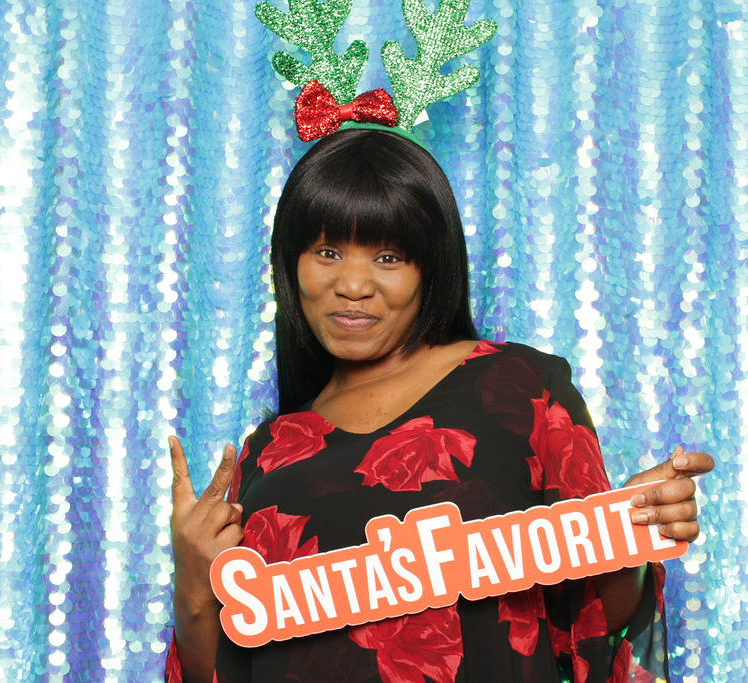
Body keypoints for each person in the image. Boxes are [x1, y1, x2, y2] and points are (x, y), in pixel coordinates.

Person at [166, 127, 713, 682]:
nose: (352, 284)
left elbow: (590, 627)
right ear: (291, 264)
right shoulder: (268, 454)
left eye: (388, 257)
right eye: (327, 252)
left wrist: (629, 532)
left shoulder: (520, 387)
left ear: (431, 269)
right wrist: (191, 583)